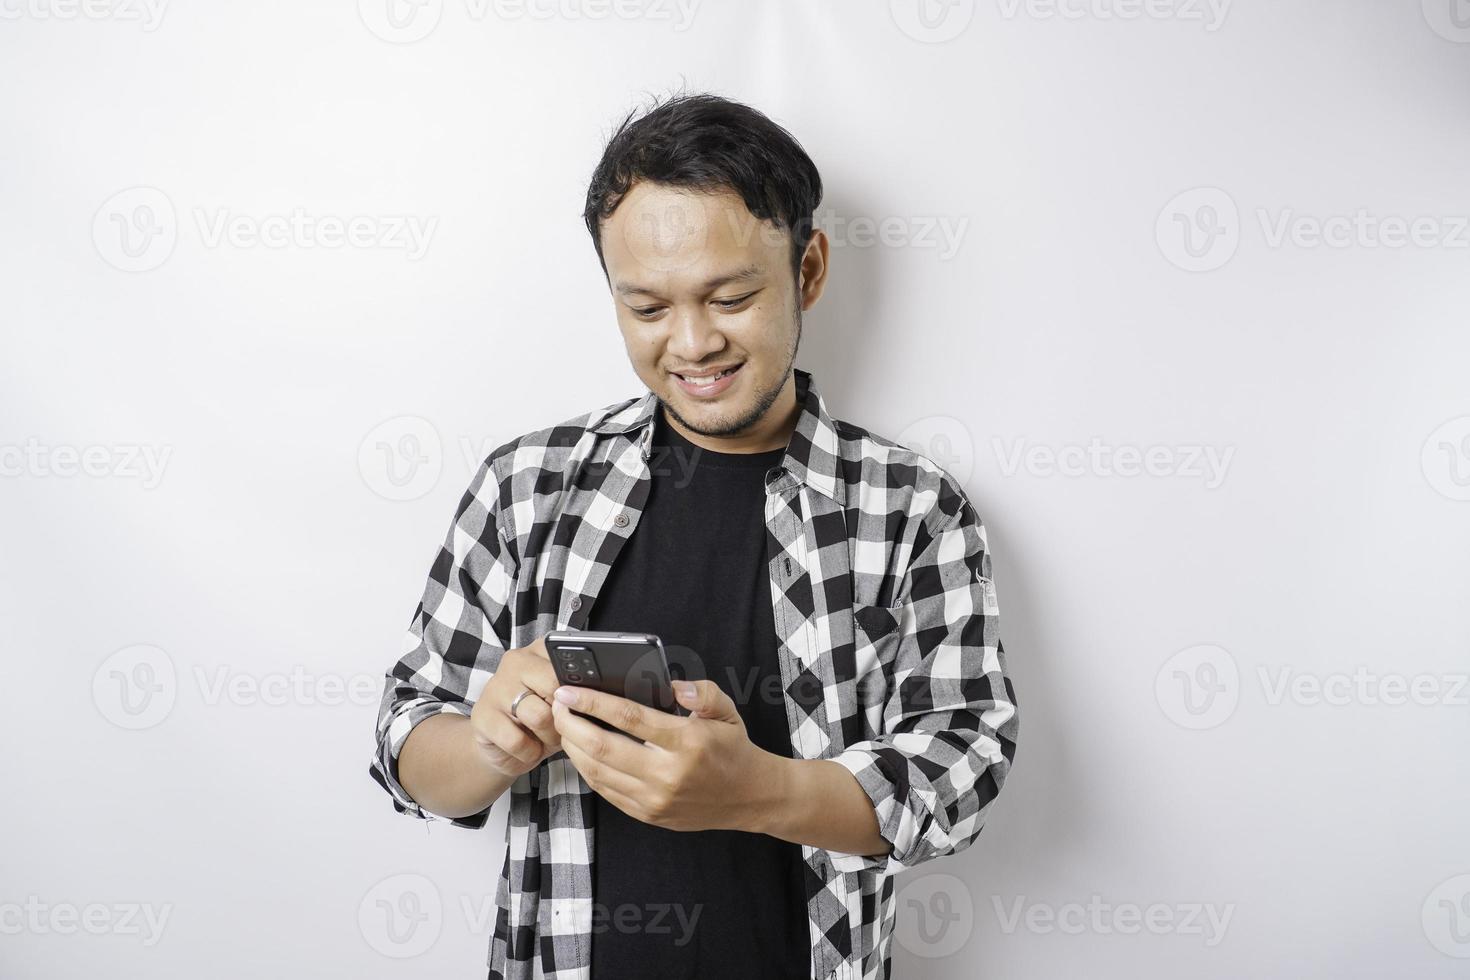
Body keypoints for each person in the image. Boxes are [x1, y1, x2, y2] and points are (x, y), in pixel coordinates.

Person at [368, 91, 1019, 980]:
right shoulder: (528, 486)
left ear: (809, 271)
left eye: (731, 296)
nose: (693, 343)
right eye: (646, 309)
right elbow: (407, 742)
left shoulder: (913, 508)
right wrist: (489, 741)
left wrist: (764, 791)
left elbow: (963, 763)